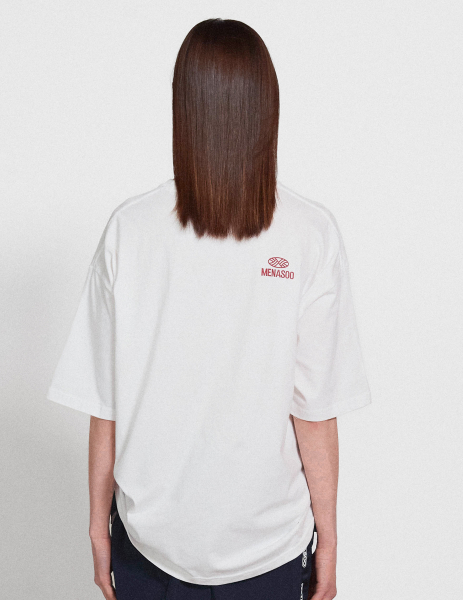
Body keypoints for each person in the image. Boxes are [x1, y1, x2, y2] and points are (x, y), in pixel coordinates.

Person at [46, 18, 372, 600]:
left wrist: (98, 526)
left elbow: (105, 404)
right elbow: (315, 411)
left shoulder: (131, 229)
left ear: (184, 106)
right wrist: (329, 538)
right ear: (266, 107)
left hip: (166, 544)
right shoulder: (310, 232)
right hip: (243, 549)